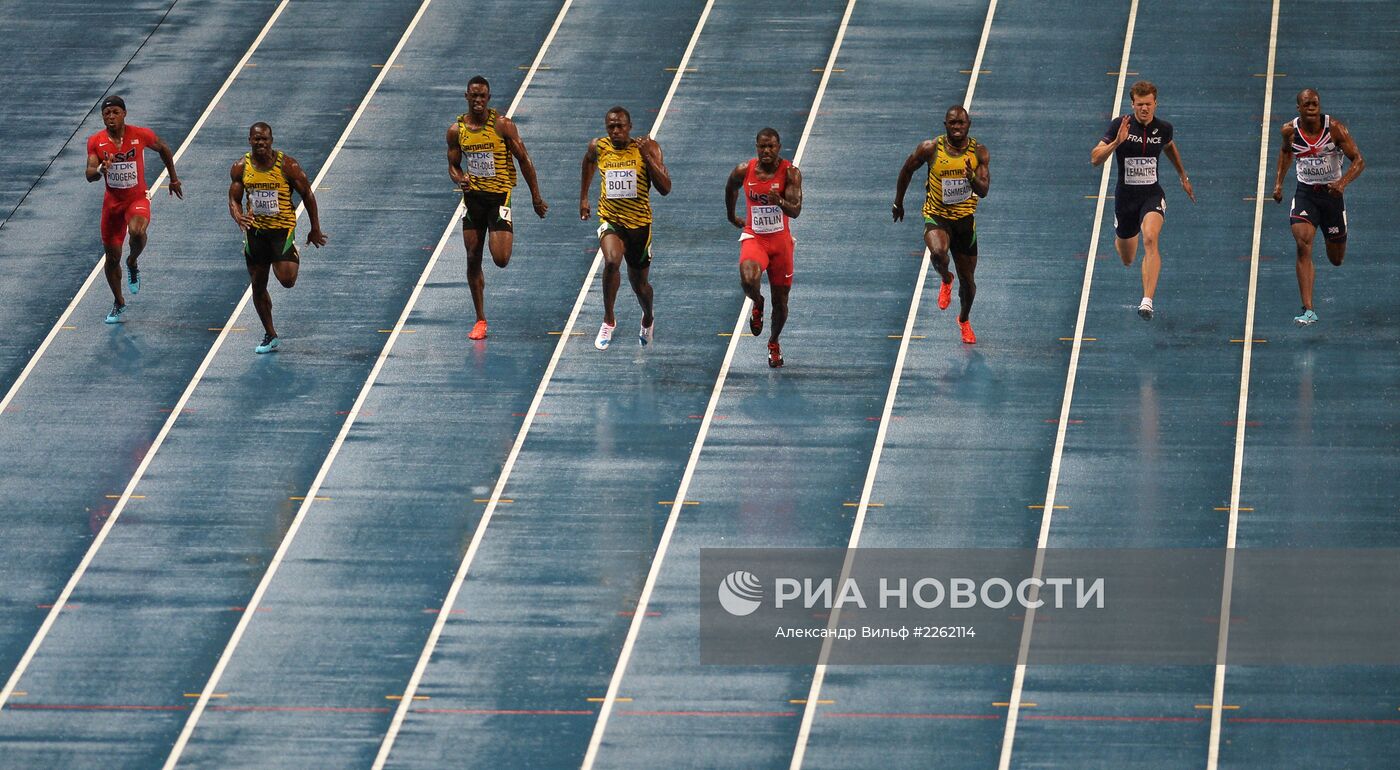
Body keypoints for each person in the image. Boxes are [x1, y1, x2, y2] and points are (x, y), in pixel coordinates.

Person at [447, 75, 548, 340]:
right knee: (472, 256)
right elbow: (453, 165)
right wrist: (460, 179)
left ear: (488, 99)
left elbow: (524, 161)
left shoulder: (503, 126)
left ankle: (500, 234)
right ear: (466, 97)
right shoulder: (456, 131)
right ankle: (480, 319)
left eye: (483, 96)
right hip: (473, 200)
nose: (478, 100)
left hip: (499, 198)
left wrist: (535, 197)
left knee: (501, 259)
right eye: (474, 96)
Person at [1090, 80, 1194, 321]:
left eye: (1148, 104)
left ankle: (1147, 301)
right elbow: (1095, 159)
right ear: (1132, 104)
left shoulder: (1164, 128)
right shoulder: (1120, 125)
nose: (1144, 109)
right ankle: (1124, 232)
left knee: (1150, 237)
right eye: (1139, 105)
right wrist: (1117, 142)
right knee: (1128, 258)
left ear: (1155, 104)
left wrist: (1182, 175)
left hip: (1151, 195)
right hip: (1125, 198)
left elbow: (1169, 147)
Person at [893, 105, 990, 344]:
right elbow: (907, 170)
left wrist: (970, 177)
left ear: (969, 125)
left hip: (965, 222)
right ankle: (946, 278)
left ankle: (964, 319)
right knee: (938, 253)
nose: (957, 127)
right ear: (945, 125)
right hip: (937, 215)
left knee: (969, 286)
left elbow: (984, 190)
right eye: (952, 123)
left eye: (961, 123)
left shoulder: (979, 152)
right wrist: (898, 202)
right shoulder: (930, 148)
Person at [228, 122, 327, 353]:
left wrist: (315, 228)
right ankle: (270, 334)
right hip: (256, 232)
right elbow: (233, 198)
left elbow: (308, 194)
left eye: (264, 139)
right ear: (249, 140)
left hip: (281, 231)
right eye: (256, 139)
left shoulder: (288, 166)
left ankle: (284, 256)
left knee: (287, 280)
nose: (260, 143)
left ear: (271, 140)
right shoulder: (241, 167)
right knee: (258, 285)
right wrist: (238, 215)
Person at [84, 95, 182, 323]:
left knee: (137, 231)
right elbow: (89, 174)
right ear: (102, 117)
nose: (111, 117)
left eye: (115, 112)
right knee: (111, 259)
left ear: (124, 114)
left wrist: (173, 179)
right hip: (112, 204)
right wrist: (100, 169)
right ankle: (119, 302)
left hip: (136, 197)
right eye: (106, 113)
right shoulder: (96, 141)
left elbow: (164, 148)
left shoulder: (140, 134)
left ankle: (133, 262)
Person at [1271, 88, 1364, 326]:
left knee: (1336, 259)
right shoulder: (1289, 131)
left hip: (1332, 196)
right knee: (1303, 243)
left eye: (1315, 104)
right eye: (1307, 104)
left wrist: (1342, 183)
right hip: (1306, 194)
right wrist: (1279, 184)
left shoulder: (1335, 129)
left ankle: (1334, 231)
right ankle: (1308, 309)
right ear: (1298, 108)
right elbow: (1285, 153)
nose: (1312, 108)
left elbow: (1359, 161)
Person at [580, 106, 671, 350]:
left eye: (620, 126)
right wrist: (584, 198)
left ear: (630, 127)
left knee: (640, 286)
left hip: (640, 225)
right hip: (611, 219)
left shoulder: (648, 148)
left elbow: (665, 188)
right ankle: (609, 319)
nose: (616, 130)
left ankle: (648, 317)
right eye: (611, 127)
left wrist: (647, 157)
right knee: (611, 261)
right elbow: (588, 162)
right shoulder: (598, 147)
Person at [725, 127, 802, 367]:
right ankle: (757, 302)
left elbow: (796, 210)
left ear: (779, 148)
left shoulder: (790, 173)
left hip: (780, 243)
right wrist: (731, 216)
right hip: (755, 237)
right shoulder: (744, 170)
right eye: (762, 146)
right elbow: (730, 188)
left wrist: (778, 200)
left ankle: (774, 342)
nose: (766, 150)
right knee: (748, 279)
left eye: (771, 146)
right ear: (756, 147)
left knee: (781, 302)